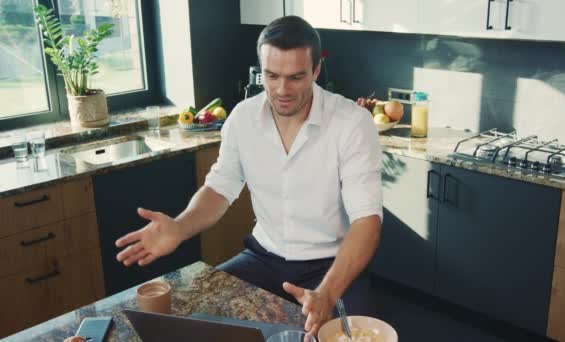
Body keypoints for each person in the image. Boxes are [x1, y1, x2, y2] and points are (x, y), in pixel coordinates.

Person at [115, 15, 383, 336]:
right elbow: (219, 188)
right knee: (193, 325)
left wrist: (327, 292)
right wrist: (180, 226)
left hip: (332, 266)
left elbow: (367, 221)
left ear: (315, 71)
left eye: (296, 77)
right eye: (272, 75)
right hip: (262, 260)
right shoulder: (242, 118)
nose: (282, 90)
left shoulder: (351, 123)